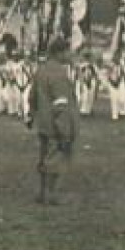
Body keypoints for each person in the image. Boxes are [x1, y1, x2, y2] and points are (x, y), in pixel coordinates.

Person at [28, 39, 80, 206]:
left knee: (44, 157)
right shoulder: (59, 74)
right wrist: (65, 129)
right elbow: (61, 104)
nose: (70, 55)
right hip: (56, 124)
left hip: (43, 123)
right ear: (60, 53)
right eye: (68, 51)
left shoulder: (41, 71)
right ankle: (51, 194)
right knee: (55, 159)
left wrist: (32, 115)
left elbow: (32, 97)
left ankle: (42, 191)